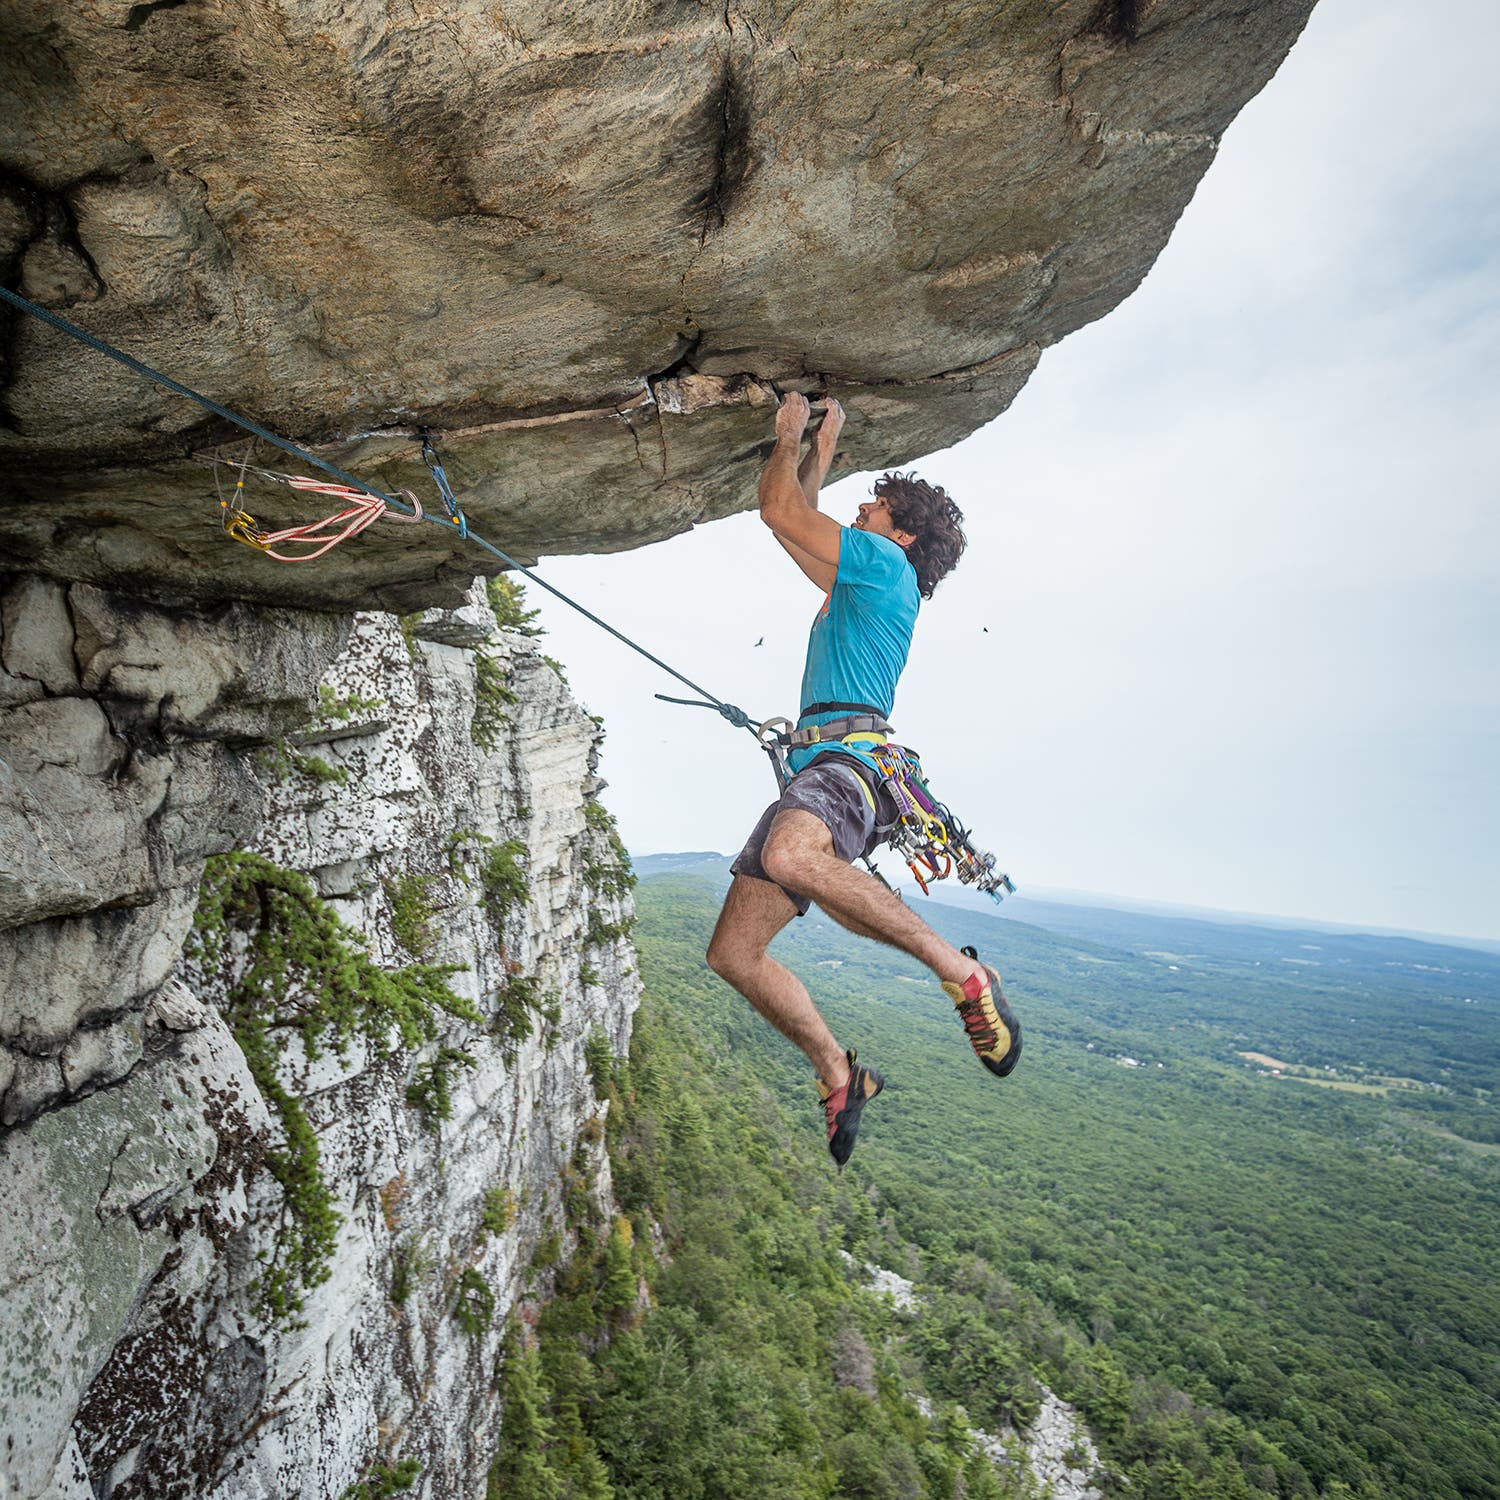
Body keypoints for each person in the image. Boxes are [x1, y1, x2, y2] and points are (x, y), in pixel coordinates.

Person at [706, 392, 1021, 1167]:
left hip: (850, 767)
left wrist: (787, 438)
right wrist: (820, 450)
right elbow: (795, 523)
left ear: (901, 535)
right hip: (825, 766)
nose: (860, 512)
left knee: (788, 858)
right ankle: (840, 1075)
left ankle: (964, 975)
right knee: (733, 955)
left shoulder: (883, 565)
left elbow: (780, 513)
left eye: (873, 507)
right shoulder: (865, 578)